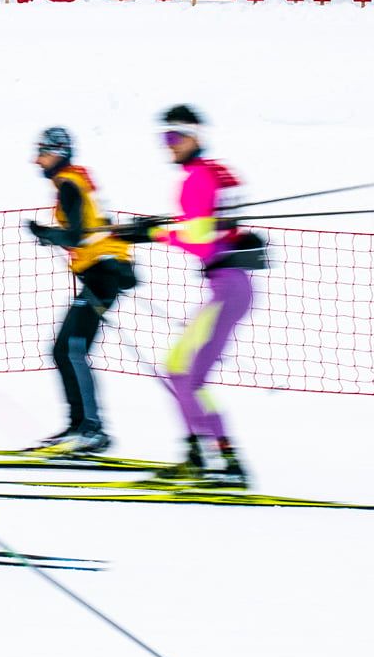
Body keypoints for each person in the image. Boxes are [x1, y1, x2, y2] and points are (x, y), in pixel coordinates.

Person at [114, 105, 263, 487]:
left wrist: (150, 234)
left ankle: (227, 464)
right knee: (180, 368)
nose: (168, 147)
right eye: (163, 139)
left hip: (228, 287)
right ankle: (200, 454)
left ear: (193, 136)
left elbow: (198, 238)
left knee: (187, 374)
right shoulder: (217, 172)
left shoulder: (196, 177)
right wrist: (160, 228)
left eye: (173, 138)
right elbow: (212, 224)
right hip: (232, 285)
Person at [25, 126, 136, 454]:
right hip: (102, 274)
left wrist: (45, 234)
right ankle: (79, 426)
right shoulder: (74, 181)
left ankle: (90, 430)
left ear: (57, 153)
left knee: (71, 349)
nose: (37, 161)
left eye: (42, 153)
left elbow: (75, 236)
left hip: (104, 275)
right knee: (64, 349)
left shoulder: (70, 185)